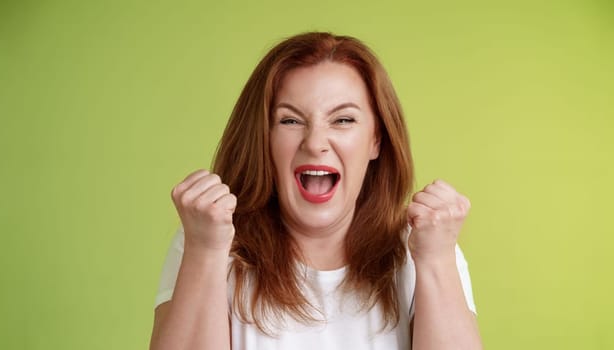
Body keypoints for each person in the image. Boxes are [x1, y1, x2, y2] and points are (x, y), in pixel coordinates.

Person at [149, 32, 482, 350]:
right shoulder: (210, 242)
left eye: (343, 120)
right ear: (264, 140)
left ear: (376, 140)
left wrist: (437, 260)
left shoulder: (422, 250)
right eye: (290, 121)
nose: (315, 143)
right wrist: (205, 251)